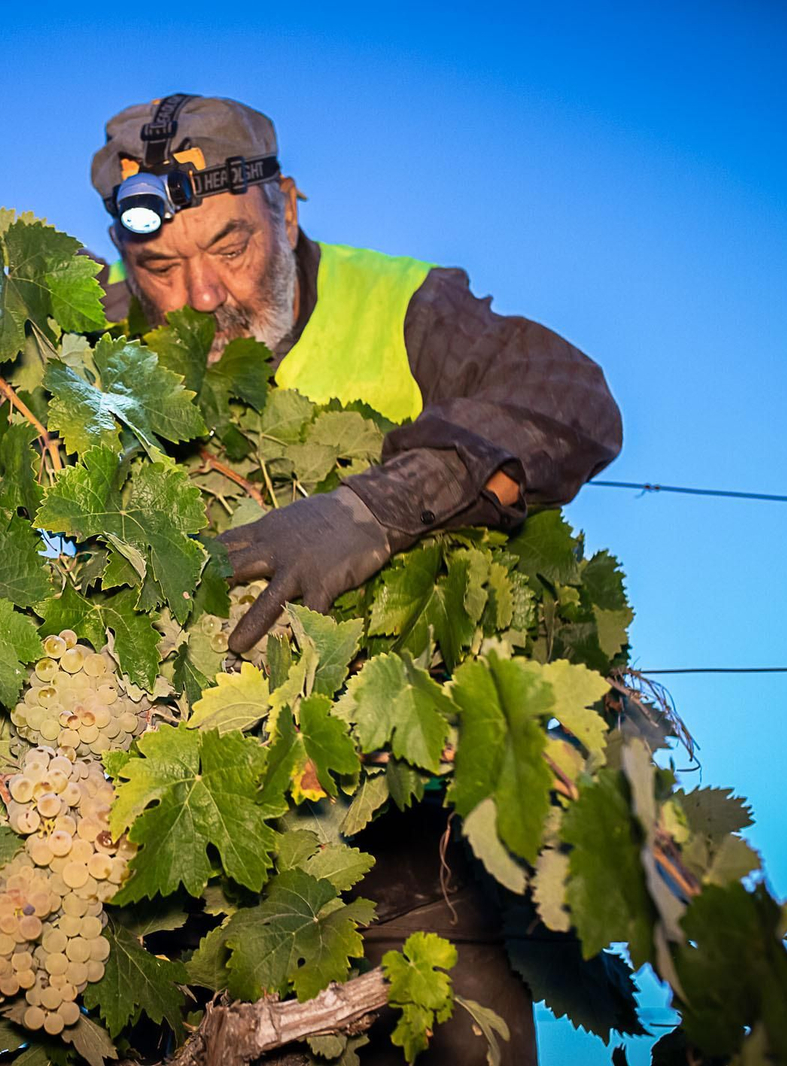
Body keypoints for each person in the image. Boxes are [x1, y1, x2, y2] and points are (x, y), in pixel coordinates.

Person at [91, 94, 623, 1065]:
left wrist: (370, 511)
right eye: (161, 266)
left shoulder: (404, 306)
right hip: (186, 854)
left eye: (232, 247)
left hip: (410, 843)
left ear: (287, 206)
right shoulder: (90, 348)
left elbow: (571, 400)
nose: (203, 295)